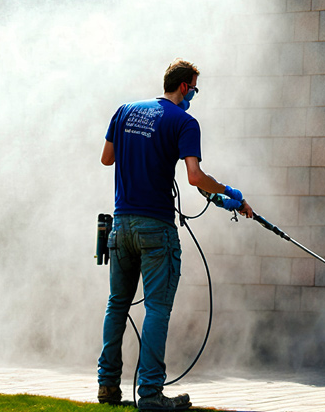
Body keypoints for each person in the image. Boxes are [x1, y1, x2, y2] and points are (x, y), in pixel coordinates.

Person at [97, 59, 251, 411]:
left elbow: (107, 159)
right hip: (156, 229)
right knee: (156, 310)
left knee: (116, 305)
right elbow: (195, 177)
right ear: (184, 86)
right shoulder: (184, 121)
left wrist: (140, 154)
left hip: (121, 227)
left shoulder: (124, 111)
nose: (194, 93)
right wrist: (230, 192)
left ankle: (107, 386)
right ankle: (150, 394)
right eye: (195, 88)